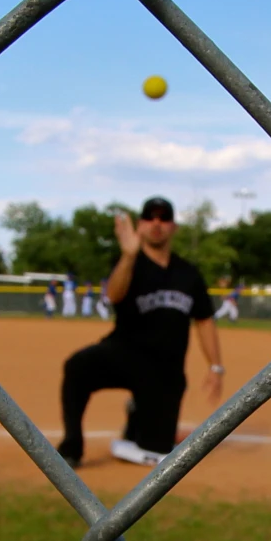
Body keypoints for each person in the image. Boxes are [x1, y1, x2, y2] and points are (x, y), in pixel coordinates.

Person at [58, 196, 225, 468]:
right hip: (124, 353)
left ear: (174, 227)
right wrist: (128, 255)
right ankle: (71, 446)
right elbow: (113, 295)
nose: (156, 224)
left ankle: (137, 415)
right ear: (139, 225)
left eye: (164, 218)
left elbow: (204, 320)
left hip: (166, 372)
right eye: (149, 217)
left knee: (154, 452)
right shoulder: (129, 262)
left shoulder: (188, 273)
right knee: (77, 366)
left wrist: (216, 367)